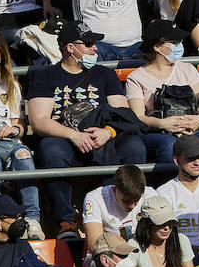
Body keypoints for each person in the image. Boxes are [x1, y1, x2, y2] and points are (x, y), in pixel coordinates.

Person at [25, 19, 148, 240]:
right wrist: (74, 135)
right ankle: (66, 222)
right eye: (89, 44)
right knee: (50, 148)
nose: (95, 48)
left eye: (94, 44)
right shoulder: (46, 76)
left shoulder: (104, 74)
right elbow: (39, 121)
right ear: (71, 48)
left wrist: (108, 132)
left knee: (133, 146)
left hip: (103, 135)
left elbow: (123, 112)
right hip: (67, 138)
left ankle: (126, 213)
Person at [126, 19, 199, 163]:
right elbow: (138, 117)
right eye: (174, 42)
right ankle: (168, 184)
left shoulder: (188, 69)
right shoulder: (136, 77)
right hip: (158, 131)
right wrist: (162, 124)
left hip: (193, 129)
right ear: (157, 46)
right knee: (169, 146)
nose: (179, 46)